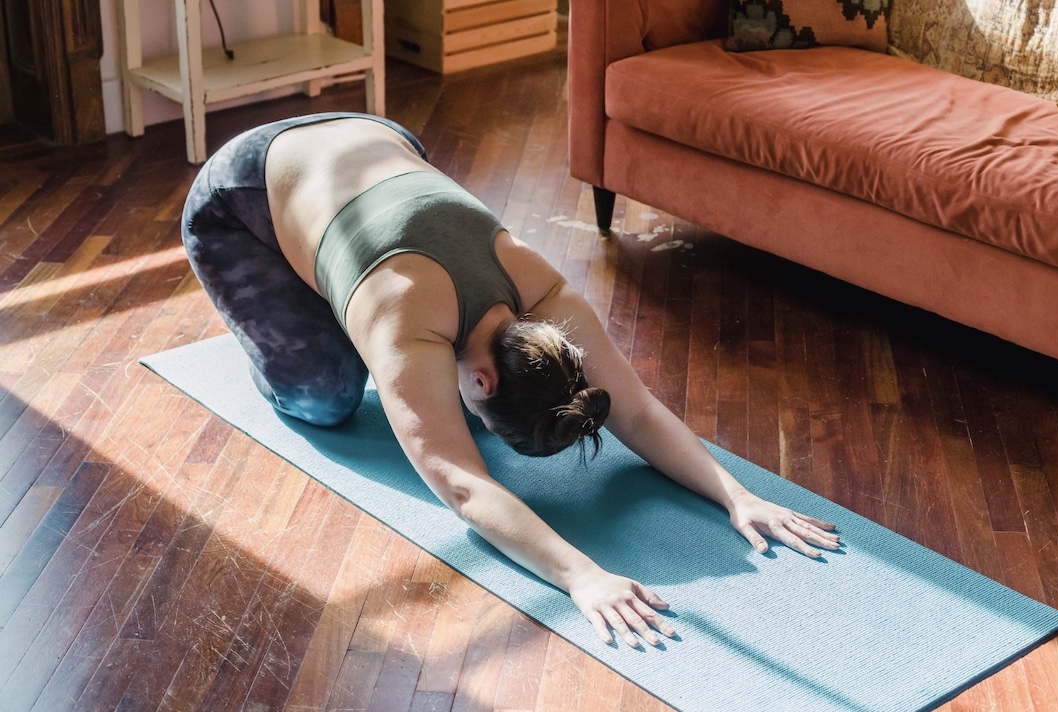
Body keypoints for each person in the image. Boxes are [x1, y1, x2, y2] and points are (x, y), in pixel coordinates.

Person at [181, 112, 841, 648]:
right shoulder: (405, 322)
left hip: (377, 140)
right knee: (324, 398)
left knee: (400, 373)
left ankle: (325, 293)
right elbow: (467, 489)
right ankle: (289, 323)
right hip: (241, 194)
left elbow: (635, 412)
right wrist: (581, 577)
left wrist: (738, 497)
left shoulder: (546, 297)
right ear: (486, 384)